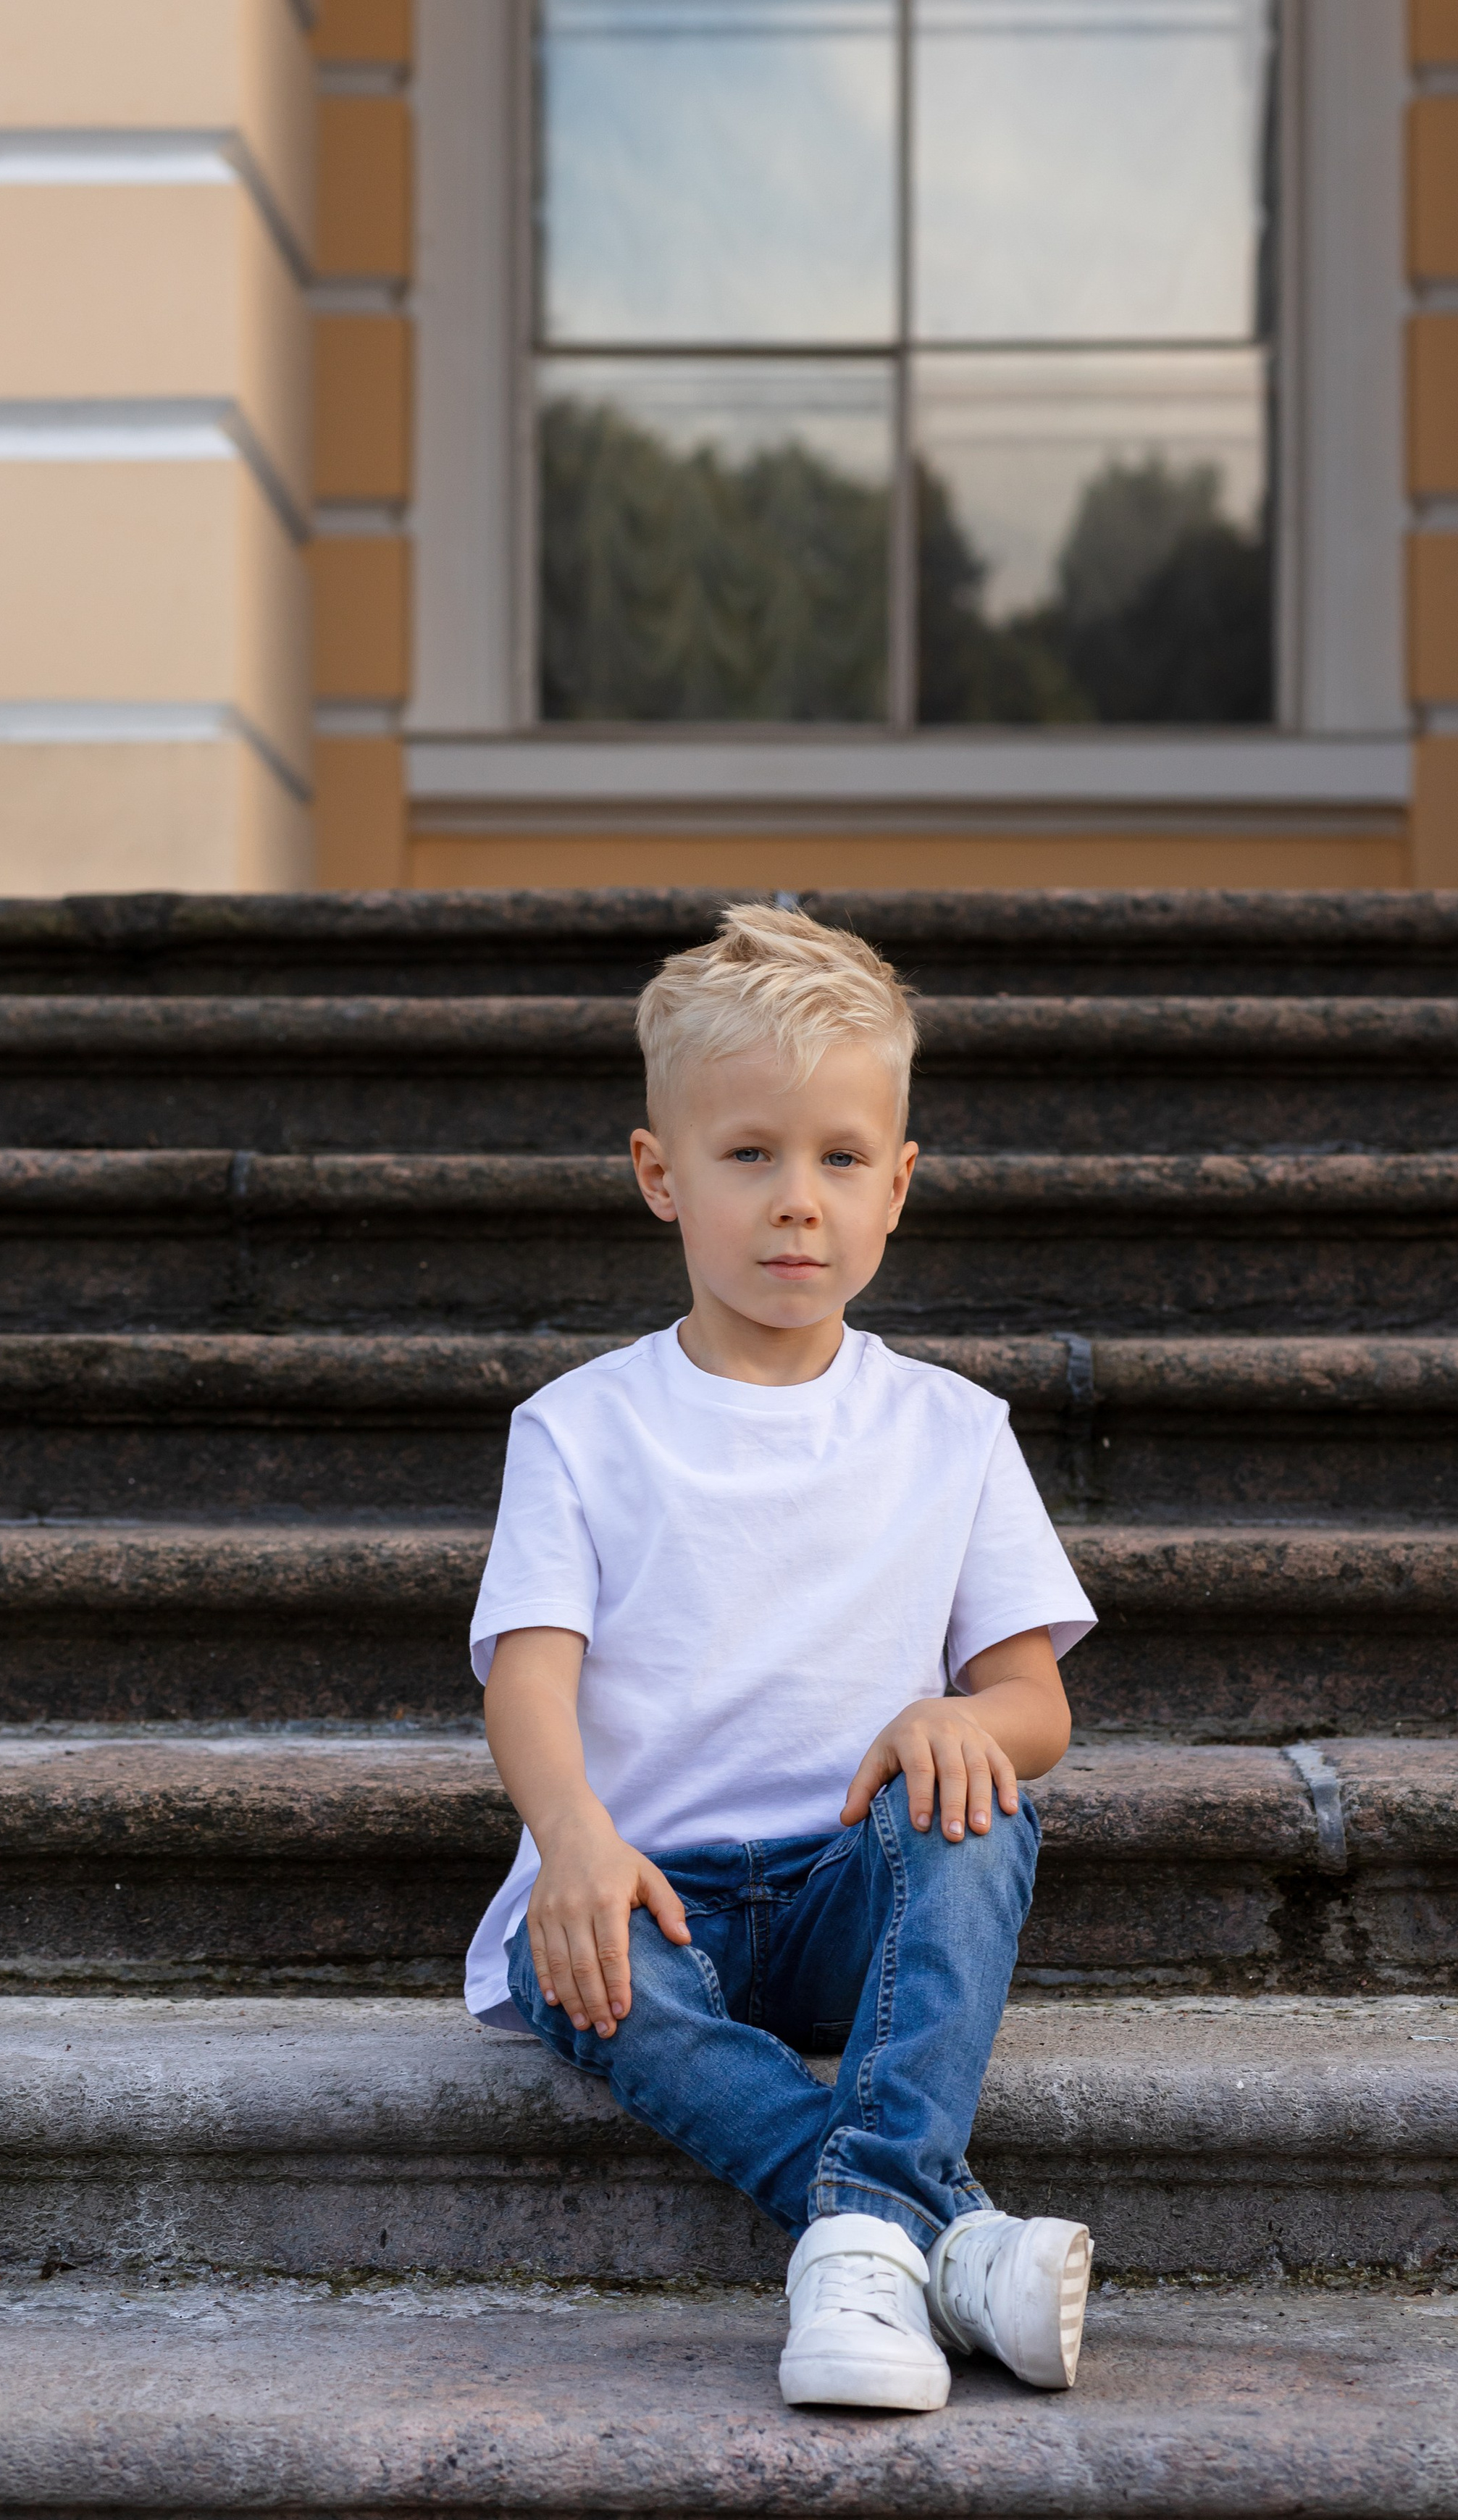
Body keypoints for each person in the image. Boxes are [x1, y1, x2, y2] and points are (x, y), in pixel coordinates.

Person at [465, 903, 1097, 2413]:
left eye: (838, 1160)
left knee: (979, 1815)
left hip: (847, 1896)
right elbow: (527, 1676)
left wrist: (963, 1722)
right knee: (575, 1961)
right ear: (659, 1176)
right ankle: (929, 2240)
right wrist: (572, 1840)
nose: (796, 1203)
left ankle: (865, 2237)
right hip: (648, 1901)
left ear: (898, 1185)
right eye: (748, 1154)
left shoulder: (953, 1430)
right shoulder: (580, 1427)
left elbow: (1035, 1705)